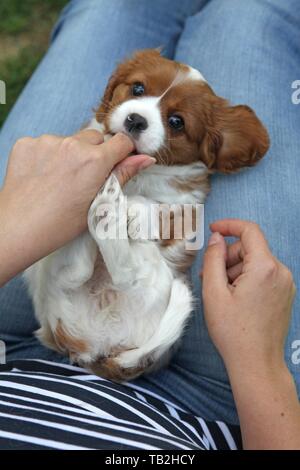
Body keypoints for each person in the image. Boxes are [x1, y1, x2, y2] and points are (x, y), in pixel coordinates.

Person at [0, 0, 299, 450]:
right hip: (203, 398)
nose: (141, 114)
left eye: (175, 122)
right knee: (253, 14)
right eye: (136, 89)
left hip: (18, 345)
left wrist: (15, 225)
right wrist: (261, 367)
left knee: (109, 9)